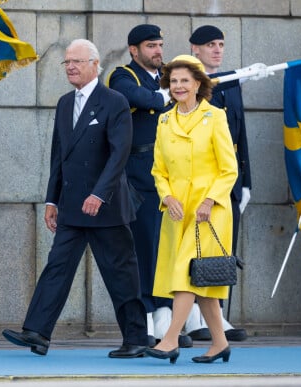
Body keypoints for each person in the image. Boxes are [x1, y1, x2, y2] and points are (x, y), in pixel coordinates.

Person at [2, 39, 148, 358]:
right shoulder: (65, 103)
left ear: (95, 65)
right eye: (67, 62)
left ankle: (136, 339)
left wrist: (99, 193)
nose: (70, 66)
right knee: (57, 267)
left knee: (121, 274)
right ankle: (37, 332)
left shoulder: (115, 101)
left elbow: (119, 153)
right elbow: (59, 156)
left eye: (77, 62)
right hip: (71, 206)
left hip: (106, 207)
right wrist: (51, 200)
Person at [145, 55, 238, 364]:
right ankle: (220, 343)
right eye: (173, 81)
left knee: (187, 273)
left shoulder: (215, 117)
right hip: (177, 212)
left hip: (208, 210)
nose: (179, 86)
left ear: (199, 83)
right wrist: (167, 198)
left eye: (185, 80)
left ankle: (170, 339)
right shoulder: (165, 120)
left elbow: (229, 169)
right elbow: (159, 170)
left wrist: (210, 200)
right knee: (202, 281)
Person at [107, 24, 191, 348]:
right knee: (144, 251)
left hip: (174, 177)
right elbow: (139, 98)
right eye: (150, 46)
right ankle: (142, 327)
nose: (157, 50)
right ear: (134, 50)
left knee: (168, 252)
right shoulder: (123, 76)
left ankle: (166, 325)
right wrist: (170, 94)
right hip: (141, 177)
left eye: (159, 44)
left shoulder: (169, 78)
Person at [184, 25, 252, 343]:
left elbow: (239, 136)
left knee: (222, 250)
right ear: (195, 49)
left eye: (221, 44)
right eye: (210, 44)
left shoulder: (230, 82)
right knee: (192, 250)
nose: (217, 49)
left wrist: (246, 180)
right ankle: (192, 317)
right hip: (196, 183)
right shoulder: (185, 83)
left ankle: (217, 315)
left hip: (227, 183)